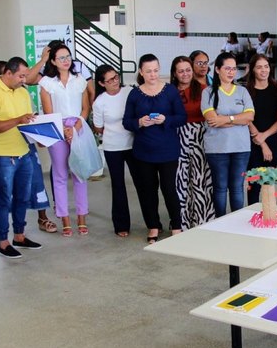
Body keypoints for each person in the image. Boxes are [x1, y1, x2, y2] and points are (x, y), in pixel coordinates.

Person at [0, 56, 43, 258]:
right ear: (8, 73)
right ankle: (3, 241)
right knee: (4, 198)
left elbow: (28, 120)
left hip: (24, 151)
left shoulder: (23, 93)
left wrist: (41, 135)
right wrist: (18, 120)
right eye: (21, 76)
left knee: (23, 196)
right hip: (2, 155)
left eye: (26, 75)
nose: (24, 79)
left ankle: (20, 236)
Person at [122, 54, 186, 243]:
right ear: (141, 72)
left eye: (156, 70)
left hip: (167, 149)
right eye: (148, 71)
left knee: (169, 189)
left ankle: (176, 225)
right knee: (148, 190)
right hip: (144, 151)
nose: (153, 75)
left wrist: (166, 119)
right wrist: (139, 122)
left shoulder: (170, 91)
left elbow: (181, 117)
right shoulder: (134, 94)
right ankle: (153, 226)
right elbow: (127, 122)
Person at [39, 43, 91, 237]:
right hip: (57, 128)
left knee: (79, 173)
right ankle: (65, 219)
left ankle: (82, 217)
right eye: (61, 57)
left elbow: (86, 108)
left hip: (78, 127)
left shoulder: (79, 80)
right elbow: (48, 111)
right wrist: (64, 130)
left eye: (68, 56)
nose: (66, 60)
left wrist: (75, 128)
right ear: (53, 61)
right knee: (60, 175)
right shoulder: (47, 83)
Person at [202, 53, 254, 216]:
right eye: (227, 68)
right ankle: (221, 221)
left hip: (241, 147)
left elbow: (249, 117)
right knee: (220, 187)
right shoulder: (208, 92)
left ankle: (236, 222)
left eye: (234, 69)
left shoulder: (242, 91)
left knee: (237, 187)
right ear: (217, 69)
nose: (231, 72)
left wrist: (225, 119)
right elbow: (212, 120)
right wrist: (237, 119)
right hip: (217, 149)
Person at [170, 56, 215, 228]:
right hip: (176, 137)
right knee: (180, 180)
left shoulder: (205, 89)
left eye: (188, 70)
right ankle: (181, 221)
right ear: (175, 73)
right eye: (181, 71)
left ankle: (203, 220)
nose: (185, 74)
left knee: (201, 179)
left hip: (200, 136)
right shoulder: (169, 90)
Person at [92, 64, 137, 237]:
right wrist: (114, 131)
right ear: (102, 83)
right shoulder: (100, 101)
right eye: (110, 80)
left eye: (116, 77)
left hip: (133, 144)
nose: (115, 82)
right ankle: (121, 225)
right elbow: (98, 127)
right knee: (118, 185)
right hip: (112, 147)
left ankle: (152, 222)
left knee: (142, 183)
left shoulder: (129, 92)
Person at [245, 53, 277, 205]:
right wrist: (261, 142)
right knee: (253, 185)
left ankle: (269, 216)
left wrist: (265, 137)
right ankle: (252, 214)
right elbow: (247, 119)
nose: (264, 70)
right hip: (252, 142)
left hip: (272, 140)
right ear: (252, 70)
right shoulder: (246, 90)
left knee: (269, 184)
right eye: (259, 67)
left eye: (266, 66)